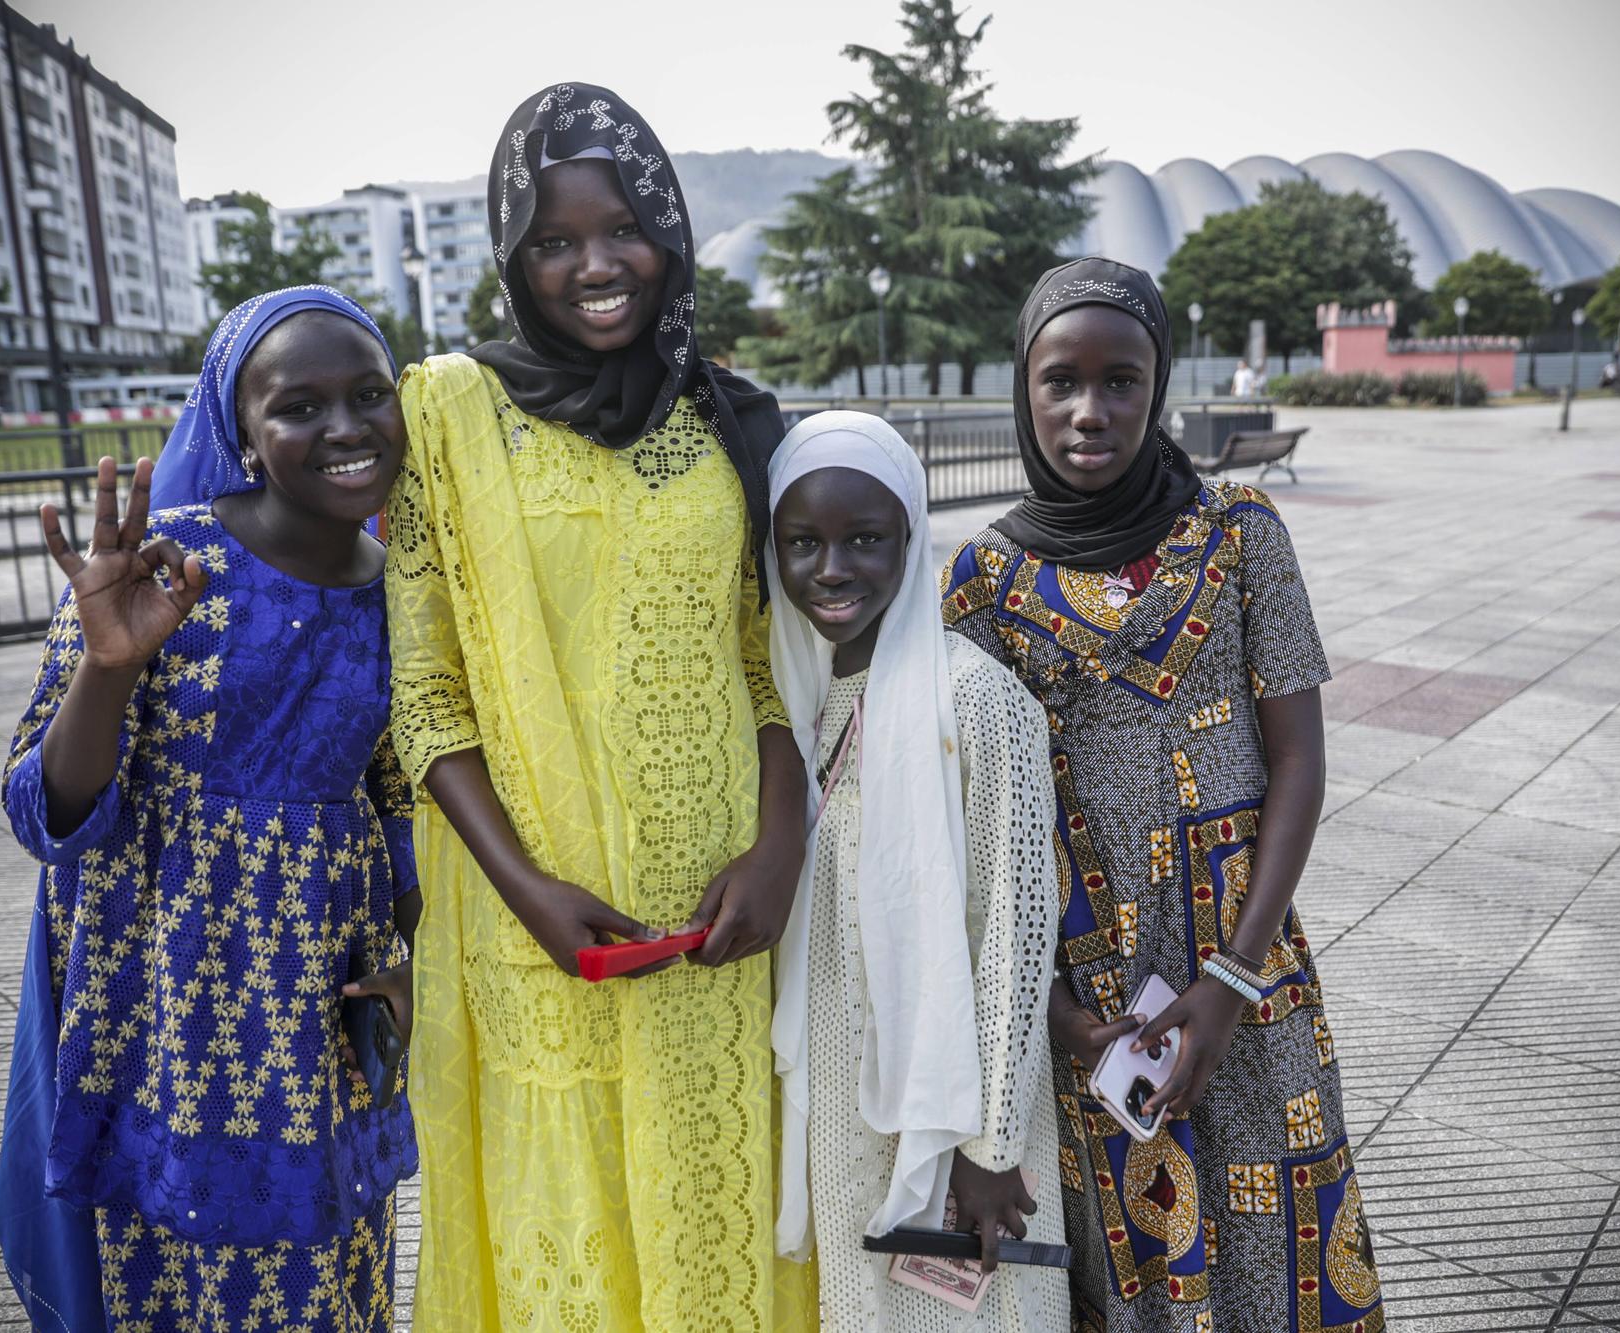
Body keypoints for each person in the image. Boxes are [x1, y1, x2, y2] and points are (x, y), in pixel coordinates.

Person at [387, 83, 806, 1331]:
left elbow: (765, 655)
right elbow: (426, 695)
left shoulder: (731, 419)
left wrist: (777, 851)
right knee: (564, 1234)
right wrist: (528, 891)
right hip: (540, 920)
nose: (594, 266)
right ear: (513, 257)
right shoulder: (449, 415)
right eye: (555, 242)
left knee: (715, 1218)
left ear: (667, 233)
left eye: (620, 228)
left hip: (724, 912)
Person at [942, 258, 1383, 1333]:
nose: (1089, 410)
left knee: (1282, 1234)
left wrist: (1231, 979)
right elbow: (971, 819)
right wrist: (1048, 1014)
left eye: (1120, 379)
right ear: (1022, 388)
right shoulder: (984, 580)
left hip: (1245, 962)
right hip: (1090, 1005)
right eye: (1059, 381)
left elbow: (1297, 760)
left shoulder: (1238, 535)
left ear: (1158, 384)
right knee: (1126, 1262)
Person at [0, 286, 420, 1333]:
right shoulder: (163, 565)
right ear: (241, 428)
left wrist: (420, 956)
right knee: (171, 1274)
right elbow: (46, 811)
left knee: (330, 1274)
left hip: (327, 1002)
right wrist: (107, 665)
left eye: (370, 394)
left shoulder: (413, 590)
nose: (345, 427)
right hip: (167, 998)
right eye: (299, 406)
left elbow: (409, 806)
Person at [764, 412, 1067, 1329]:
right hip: (839, 1096)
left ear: (910, 536)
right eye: (802, 542)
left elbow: (1016, 930)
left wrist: (991, 1144)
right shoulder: (795, 703)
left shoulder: (974, 698)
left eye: (865, 538)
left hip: (964, 1115)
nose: (832, 568)